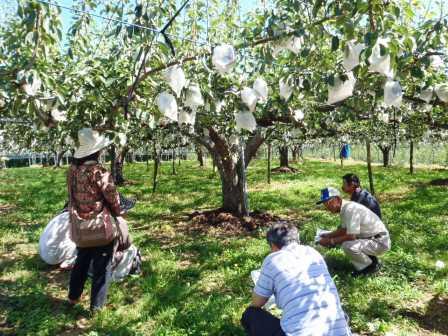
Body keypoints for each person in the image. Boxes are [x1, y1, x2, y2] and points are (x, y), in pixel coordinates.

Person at [241, 222, 351, 336]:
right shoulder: (313, 253)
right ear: (297, 240)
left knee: (250, 315)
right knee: (341, 314)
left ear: (273, 245)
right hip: (337, 330)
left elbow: (257, 303)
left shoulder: (272, 259)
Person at [67, 128, 126, 311]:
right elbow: (112, 197)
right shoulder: (99, 172)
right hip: (100, 226)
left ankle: (73, 297)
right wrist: (119, 212)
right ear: (96, 151)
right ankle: (96, 307)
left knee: (81, 261)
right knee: (102, 266)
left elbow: (71, 196)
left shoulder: (72, 171)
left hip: (81, 226)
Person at [317, 187, 391, 277]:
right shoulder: (344, 208)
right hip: (373, 238)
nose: (327, 207)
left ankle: (369, 267)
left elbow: (351, 236)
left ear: (338, 199)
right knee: (345, 241)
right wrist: (328, 235)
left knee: (348, 245)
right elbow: (344, 230)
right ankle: (371, 260)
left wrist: (330, 241)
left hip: (379, 241)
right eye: (324, 204)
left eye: (329, 202)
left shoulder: (349, 209)